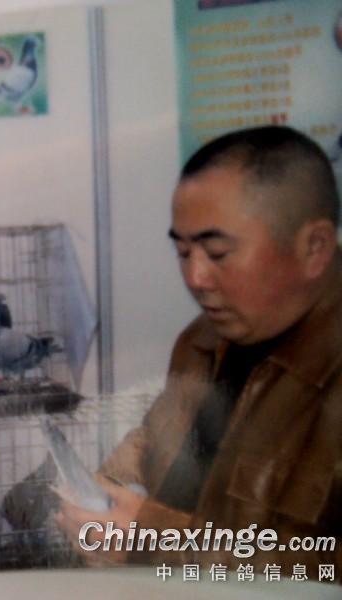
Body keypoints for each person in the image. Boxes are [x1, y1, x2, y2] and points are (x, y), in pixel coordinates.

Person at [56, 126, 342, 578]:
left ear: (315, 248)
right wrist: (106, 490)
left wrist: (162, 538)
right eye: (183, 252)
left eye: (217, 252)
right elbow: (159, 439)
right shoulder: (202, 340)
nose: (195, 278)